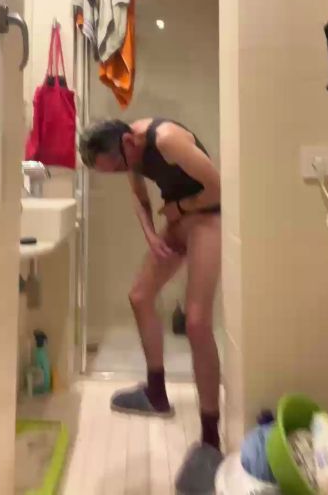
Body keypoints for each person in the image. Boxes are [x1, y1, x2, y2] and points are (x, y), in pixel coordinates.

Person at [79, 118, 222, 490]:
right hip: (179, 221)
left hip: (208, 221)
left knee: (197, 322)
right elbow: (140, 197)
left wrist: (180, 207)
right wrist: (151, 235)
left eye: (118, 167)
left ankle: (211, 440)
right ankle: (156, 393)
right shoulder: (129, 151)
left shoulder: (167, 140)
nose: (121, 173)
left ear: (129, 142)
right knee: (140, 296)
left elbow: (219, 187)